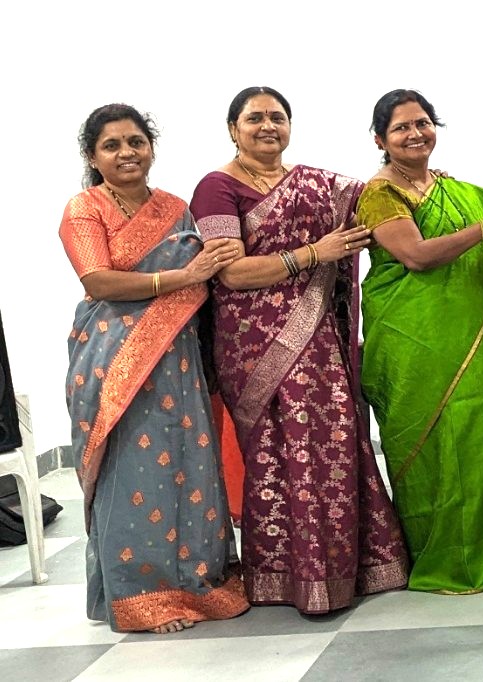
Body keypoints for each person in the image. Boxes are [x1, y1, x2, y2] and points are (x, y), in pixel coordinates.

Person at [191, 86, 408, 612]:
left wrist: (416, 172)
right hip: (253, 346)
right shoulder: (216, 188)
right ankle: (288, 576)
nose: (268, 126)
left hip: (319, 341)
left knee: (334, 441)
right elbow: (233, 271)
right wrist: (314, 253)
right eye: (255, 118)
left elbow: (375, 200)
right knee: (276, 455)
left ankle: (353, 568)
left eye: (277, 117)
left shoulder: (315, 184)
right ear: (232, 128)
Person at [61, 104, 250, 632]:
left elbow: (209, 280)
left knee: (188, 463)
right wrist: (180, 277)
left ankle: (198, 581)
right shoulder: (84, 208)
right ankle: (141, 594)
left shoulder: (175, 208)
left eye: (135, 142)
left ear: (151, 147)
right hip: (114, 358)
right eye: (112, 145)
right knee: (132, 470)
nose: (126, 153)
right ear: (93, 157)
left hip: (179, 359)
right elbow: (98, 281)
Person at [355, 89, 483, 594]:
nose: (416, 134)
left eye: (423, 123)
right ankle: (444, 558)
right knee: (433, 445)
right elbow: (414, 255)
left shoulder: (450, 188)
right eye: (401, 128)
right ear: (380, 140)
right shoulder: (379, 193)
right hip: (414, 339)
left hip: (472, 334)